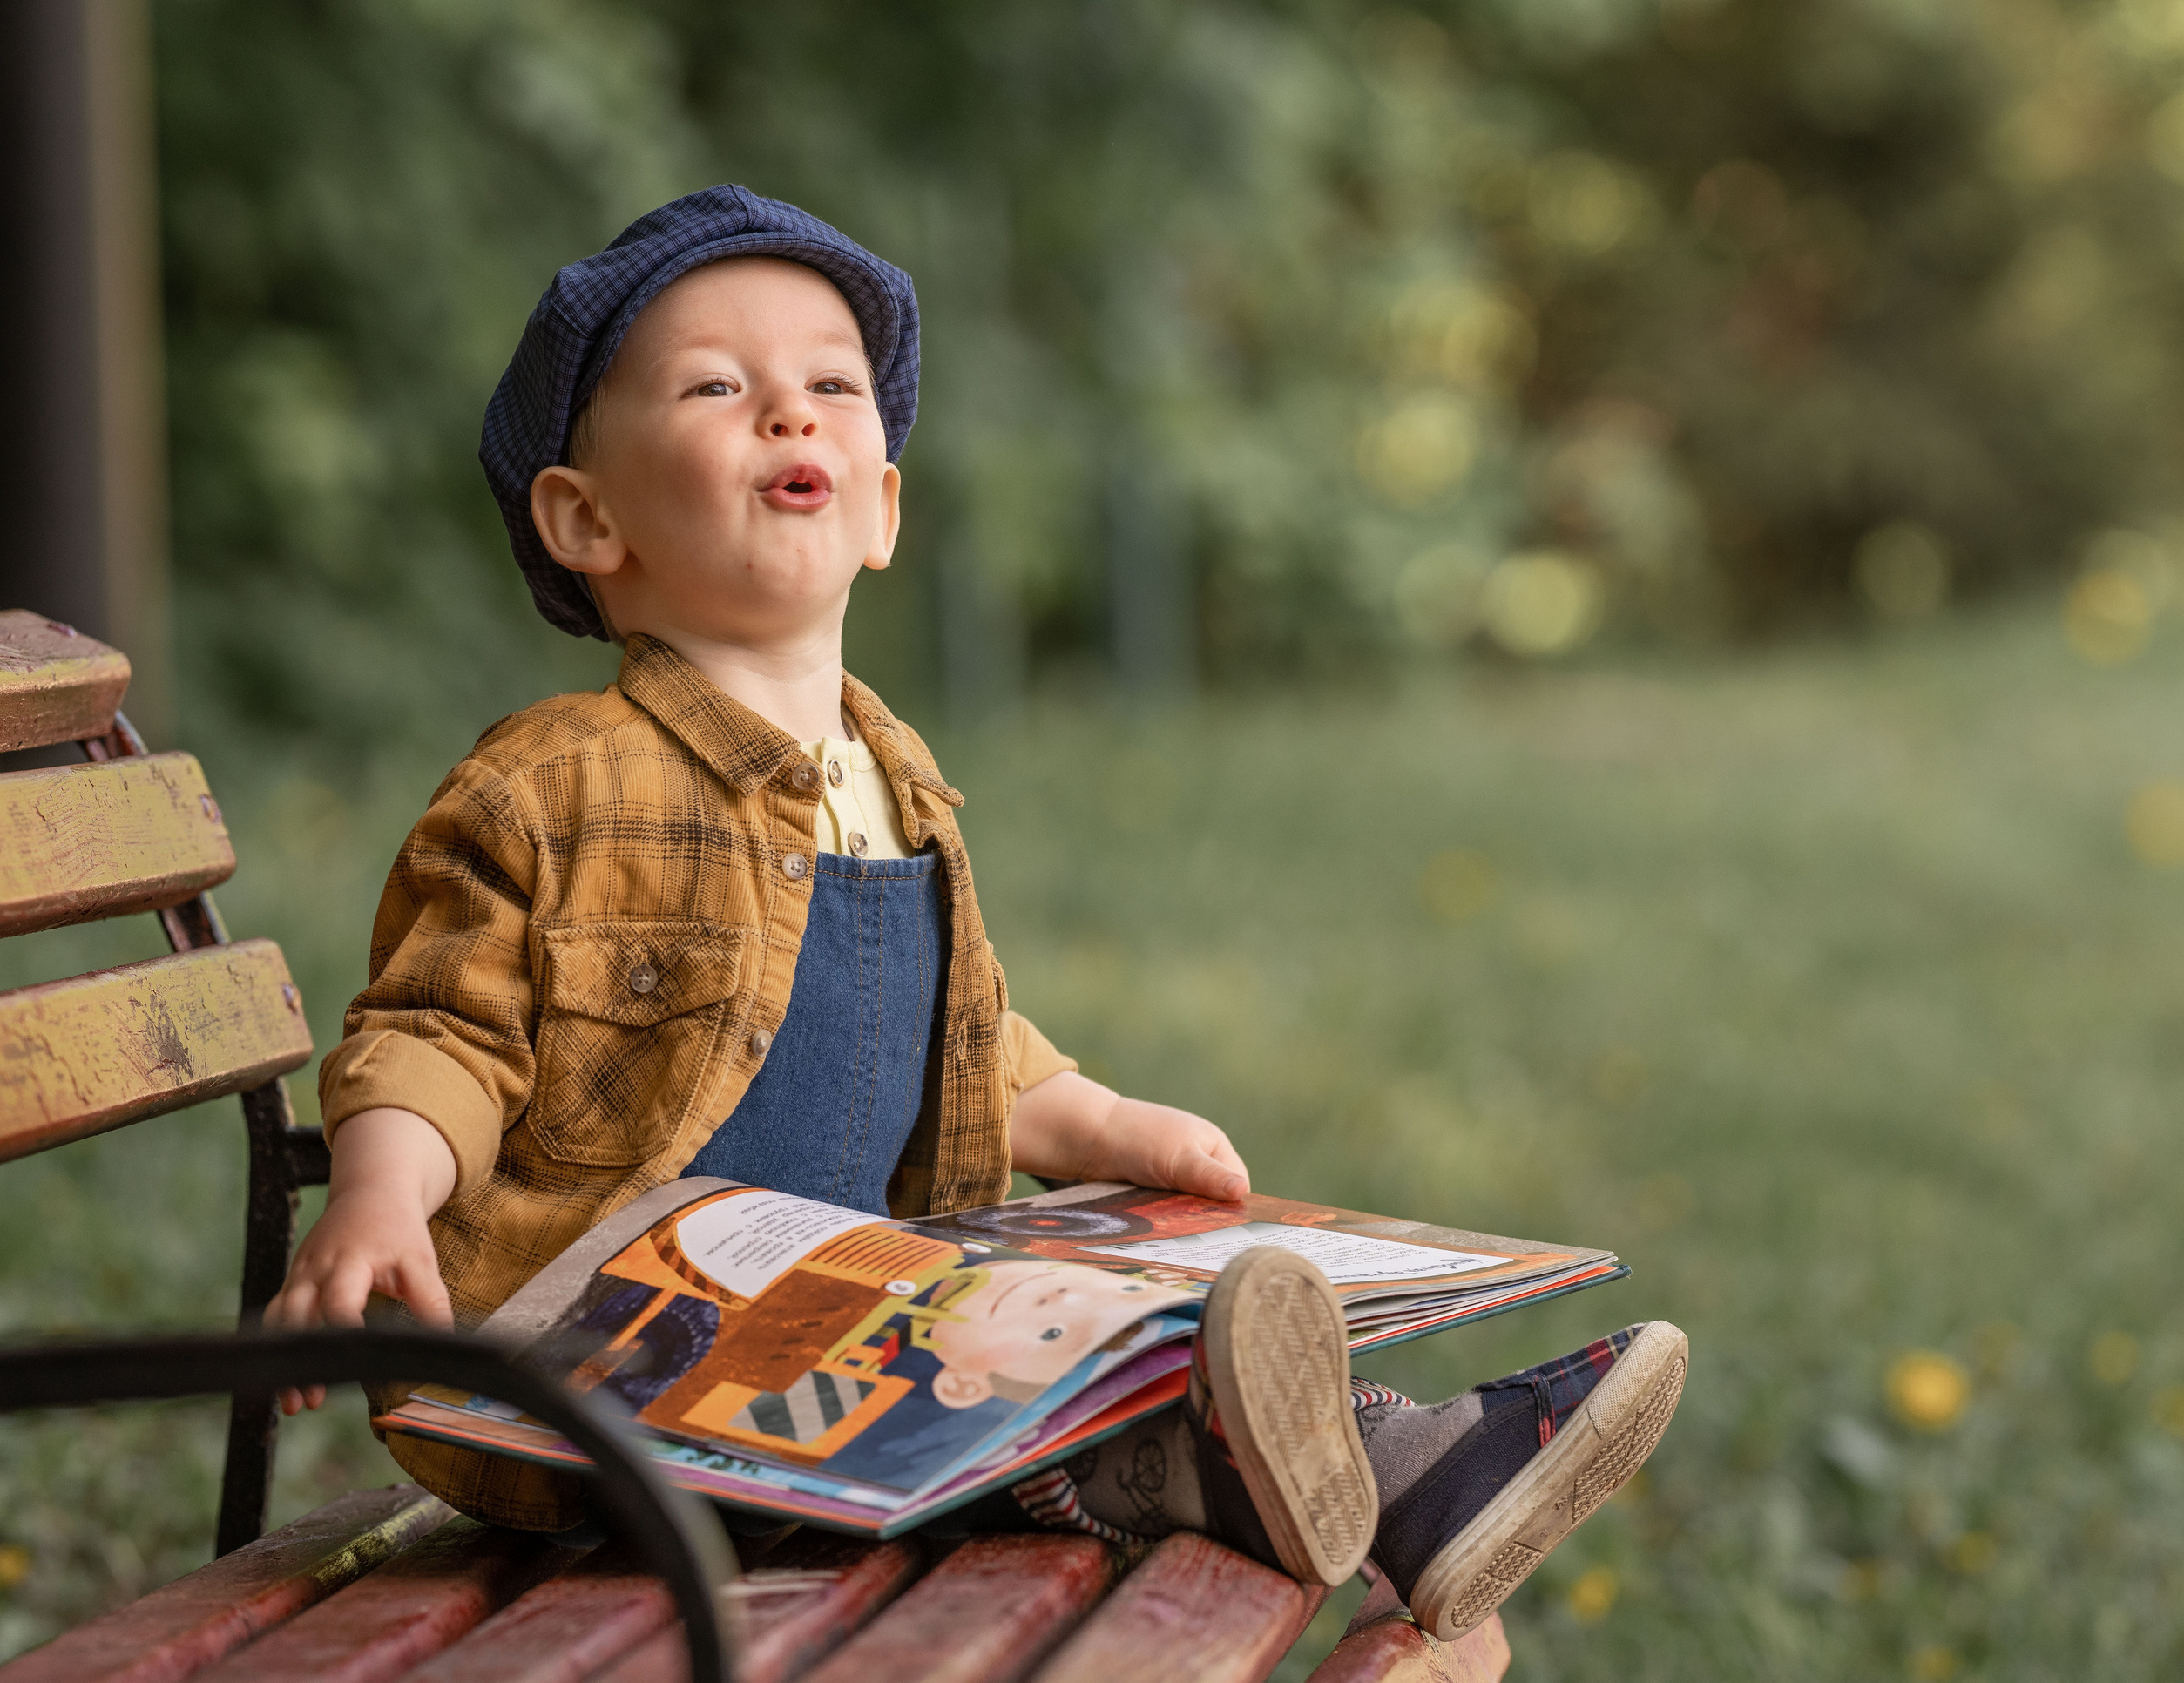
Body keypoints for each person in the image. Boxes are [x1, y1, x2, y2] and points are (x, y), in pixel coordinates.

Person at [269, 186, 1685, 1638]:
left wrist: (1099, 1123)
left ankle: (1398, 1466)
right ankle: (1363, 1463)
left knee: (1106, 1319)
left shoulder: (897, 774)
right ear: (587, 519)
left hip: (845, 1349)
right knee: (1045, 1365)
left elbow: (962, 1031)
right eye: (716, 386)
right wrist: (384, 1191)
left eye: (831, 387)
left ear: (883, 506)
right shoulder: (548, 784)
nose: (790, 415)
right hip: (606, 1384)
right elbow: (439, 1026)